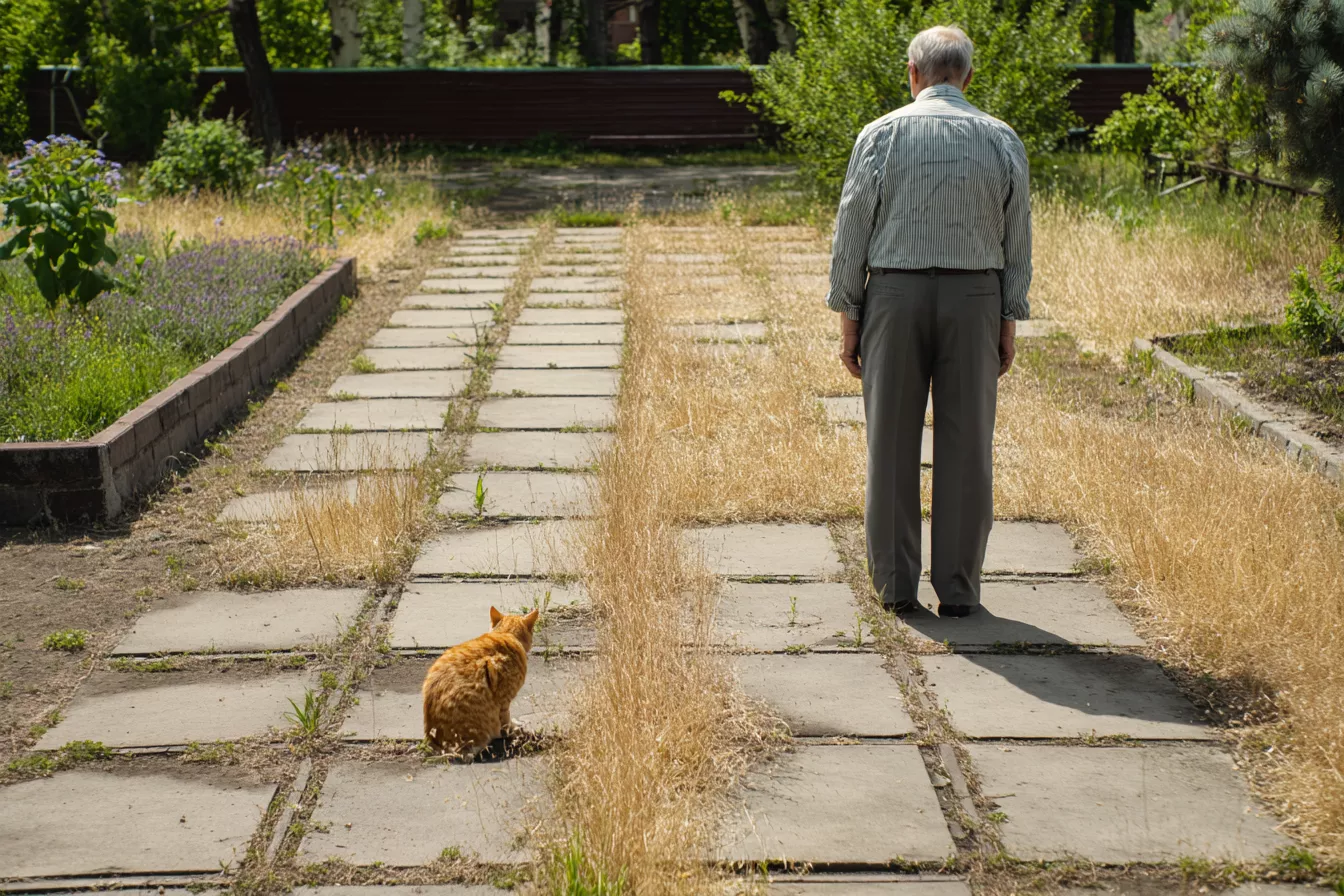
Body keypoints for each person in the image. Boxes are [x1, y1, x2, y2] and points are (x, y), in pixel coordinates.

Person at [826, 24, 1032, 618]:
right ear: (968, 75)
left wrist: (849, 316)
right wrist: (1008, 317)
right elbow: (1017, 237)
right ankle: (959, 590)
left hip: (894, 296)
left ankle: (896, 586)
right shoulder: (1001, 138)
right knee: (968, 445)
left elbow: (852, 231)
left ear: (912, 73)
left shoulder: (880, 134)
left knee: (890, 442)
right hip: (976, 296)